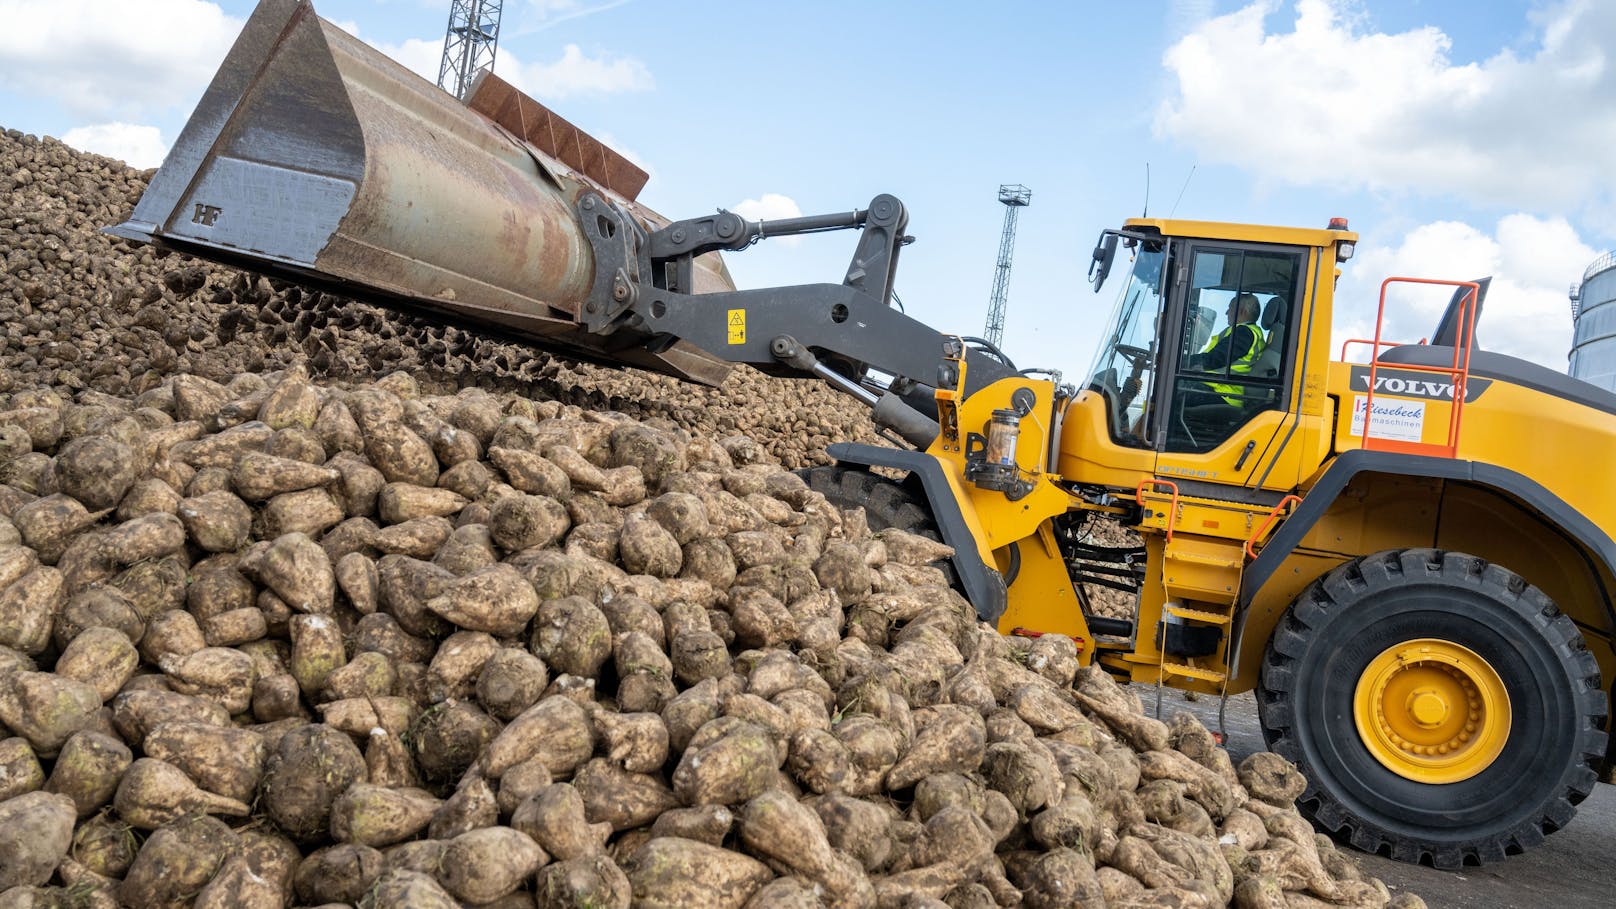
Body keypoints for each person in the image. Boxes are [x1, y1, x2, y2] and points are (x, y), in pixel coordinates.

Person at [1185, 292, 1265, 406]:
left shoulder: (1244, 333)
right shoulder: (1249, 332)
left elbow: (1216, 359)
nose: (1226, 312)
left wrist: (1179, 362)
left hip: (1225, 394)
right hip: (1221, 390)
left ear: (1241, 311)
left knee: (1172, 392)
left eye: (1230, 308)